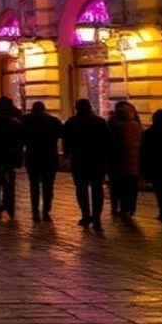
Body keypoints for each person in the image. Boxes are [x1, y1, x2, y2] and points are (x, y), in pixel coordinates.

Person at [61, 97, 111, 230]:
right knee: (97, 189)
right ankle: (97, 218)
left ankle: (85, 216)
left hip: (79, 160)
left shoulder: (71, 122)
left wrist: (67, 154)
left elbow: (67, 141)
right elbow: (107, 141)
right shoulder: (100, 121)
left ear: (76, 108)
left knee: (81, 189)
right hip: (97, 160)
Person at [20, 100, 62, 221]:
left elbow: (21, 138)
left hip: (32, 156)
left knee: (34, 185)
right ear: (44, 109)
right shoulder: (54, 120)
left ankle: (35, 211)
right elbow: (61, 135)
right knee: (48, 185)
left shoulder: (25, 120)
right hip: (49, 156)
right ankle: (46, 211)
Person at [0, 95, 24, 220]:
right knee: (9, 185)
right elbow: (19, 143)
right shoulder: (15, 123)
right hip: (9, 158)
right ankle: (9, 208)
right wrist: (18, 160)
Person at [107, 100, 143, 220]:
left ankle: (117, 207)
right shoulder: (137, 126)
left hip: (117, 162)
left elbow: (109, 144)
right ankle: (129, 208)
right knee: (131, 186)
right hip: (134, 162)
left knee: (117, 186)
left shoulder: (114, 126)